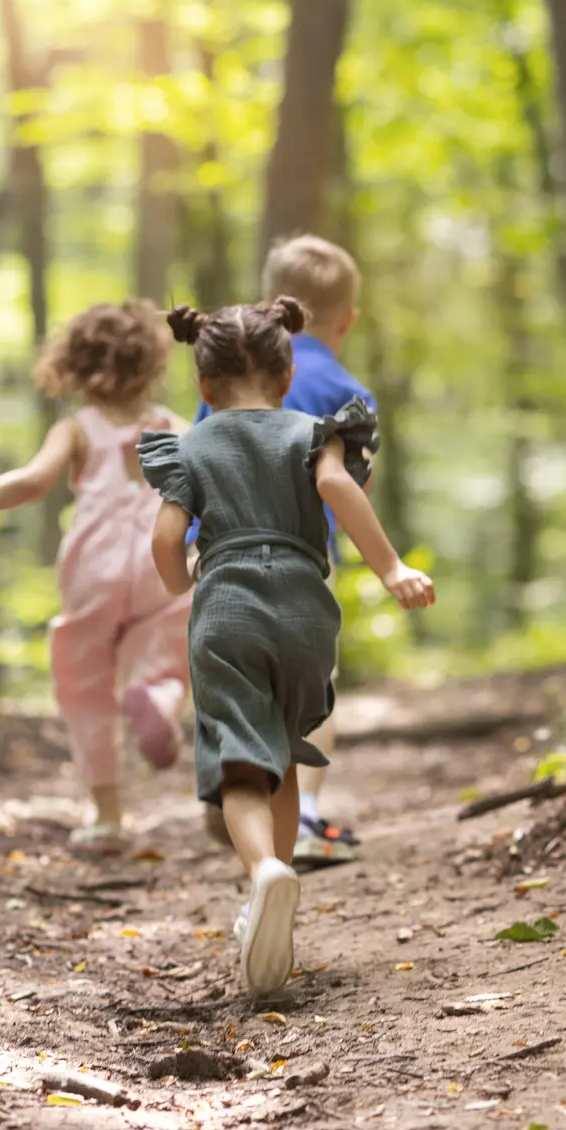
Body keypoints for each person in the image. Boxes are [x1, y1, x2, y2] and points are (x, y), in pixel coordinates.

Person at [139, 297, 435, 995]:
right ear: (287, 371)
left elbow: (163, 538)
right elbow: (337, 486)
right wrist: (391, 568)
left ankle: (262, 874)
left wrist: (180, 581)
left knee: (241, 764)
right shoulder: (315, 431)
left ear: (202, 388)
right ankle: (285, 875)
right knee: (286, 747)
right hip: (305, 608)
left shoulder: (191, 445)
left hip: (229, 612)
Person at [0, 301, 190, 856]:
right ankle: (161, 694)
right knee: (165, 644)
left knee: (85, 682)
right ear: (152, 364)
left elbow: (30, 482)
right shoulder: (175, 427)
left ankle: (107, 815)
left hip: (93, 567)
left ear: (73, 367)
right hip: (160, 560)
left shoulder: (77, 429)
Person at [191, 235, 373, 867]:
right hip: (304, 574)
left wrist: (194, 554)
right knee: (311, 696)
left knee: (233, 689)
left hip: (226, 572)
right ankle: (306, 815)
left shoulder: (227, 379)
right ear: (347, 319)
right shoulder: (349, 394)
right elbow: (351, 486)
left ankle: (237, 800)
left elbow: (200, 474)